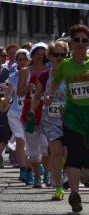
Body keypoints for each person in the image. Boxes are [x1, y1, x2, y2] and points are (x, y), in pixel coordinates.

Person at [47, 24, 89, 213]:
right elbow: (54, 82)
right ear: (71, 43)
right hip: (73, 113)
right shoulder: (65, 66)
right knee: (74, 153)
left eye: (84, 40)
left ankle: (87, 171)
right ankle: (75, 193)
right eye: (76, 40)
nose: (80, 43)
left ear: (88, 43)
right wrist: (50, 95)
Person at [31, 40, 68, 200]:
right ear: (49, 56)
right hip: (51, 118)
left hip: (70, 117)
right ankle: (58, 187)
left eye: (62, 54)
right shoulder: (46, 74)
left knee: (67, 153)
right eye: (56, 54)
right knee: (55, 152)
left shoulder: (71, 73)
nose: (59, 57)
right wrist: (33, 110)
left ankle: (64, 174)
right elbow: (37, 95)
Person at [20, 42, 49, 188]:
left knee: (47, 146)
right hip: (30, 114)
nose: (40, 56)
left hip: (47, 113)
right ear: (32, 54)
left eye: (43, 53)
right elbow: (18, 92)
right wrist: (28, 88)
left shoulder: (50, 70)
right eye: (37, 53)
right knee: (33, 149)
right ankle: (37, 176)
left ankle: (47, 174)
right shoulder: (26, 71)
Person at [4, 49, 30, 184]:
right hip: (15, 113)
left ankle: (34, 167)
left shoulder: (35, 75)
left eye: (24, 59)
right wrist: (4, 102)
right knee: (21, 141)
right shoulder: (13, 76)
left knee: (31, 143)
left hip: (31, 114)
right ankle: (23, 170)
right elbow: (8, 96)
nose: (22, 61)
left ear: (29, 59)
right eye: (19, 59)